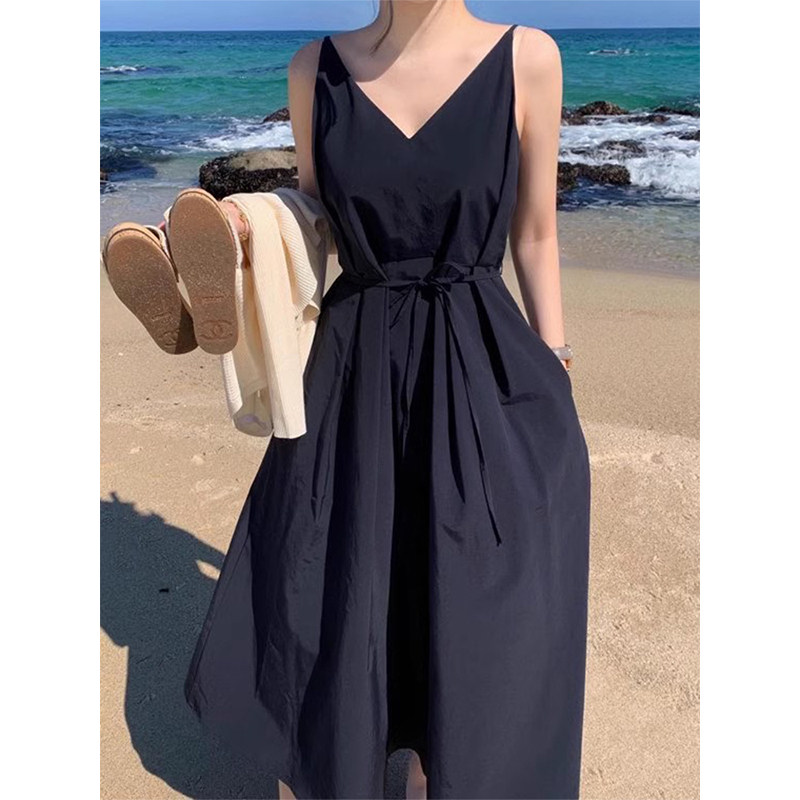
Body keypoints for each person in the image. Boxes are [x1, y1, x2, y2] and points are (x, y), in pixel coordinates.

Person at [105, 2, 591, 798]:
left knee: (471, 582)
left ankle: (437, 768)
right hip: (355, 354)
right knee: (329, 573)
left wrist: (555, 358)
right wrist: (252, 227)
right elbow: (316, 216)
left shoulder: (527, 58)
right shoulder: (315, 69)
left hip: (479, 353)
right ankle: (336, 757)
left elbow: (535, 233)